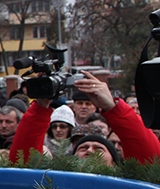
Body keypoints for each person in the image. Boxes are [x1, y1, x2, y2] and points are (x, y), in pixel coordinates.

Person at [10, 71, 160, 165]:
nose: (89, 150)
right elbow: (21, 163)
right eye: (82, 148)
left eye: (99, 148)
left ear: (115, 163)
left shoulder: (128, 183)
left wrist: (114, 109)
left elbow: (152, 160)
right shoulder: (54, 185)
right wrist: (41, 105)